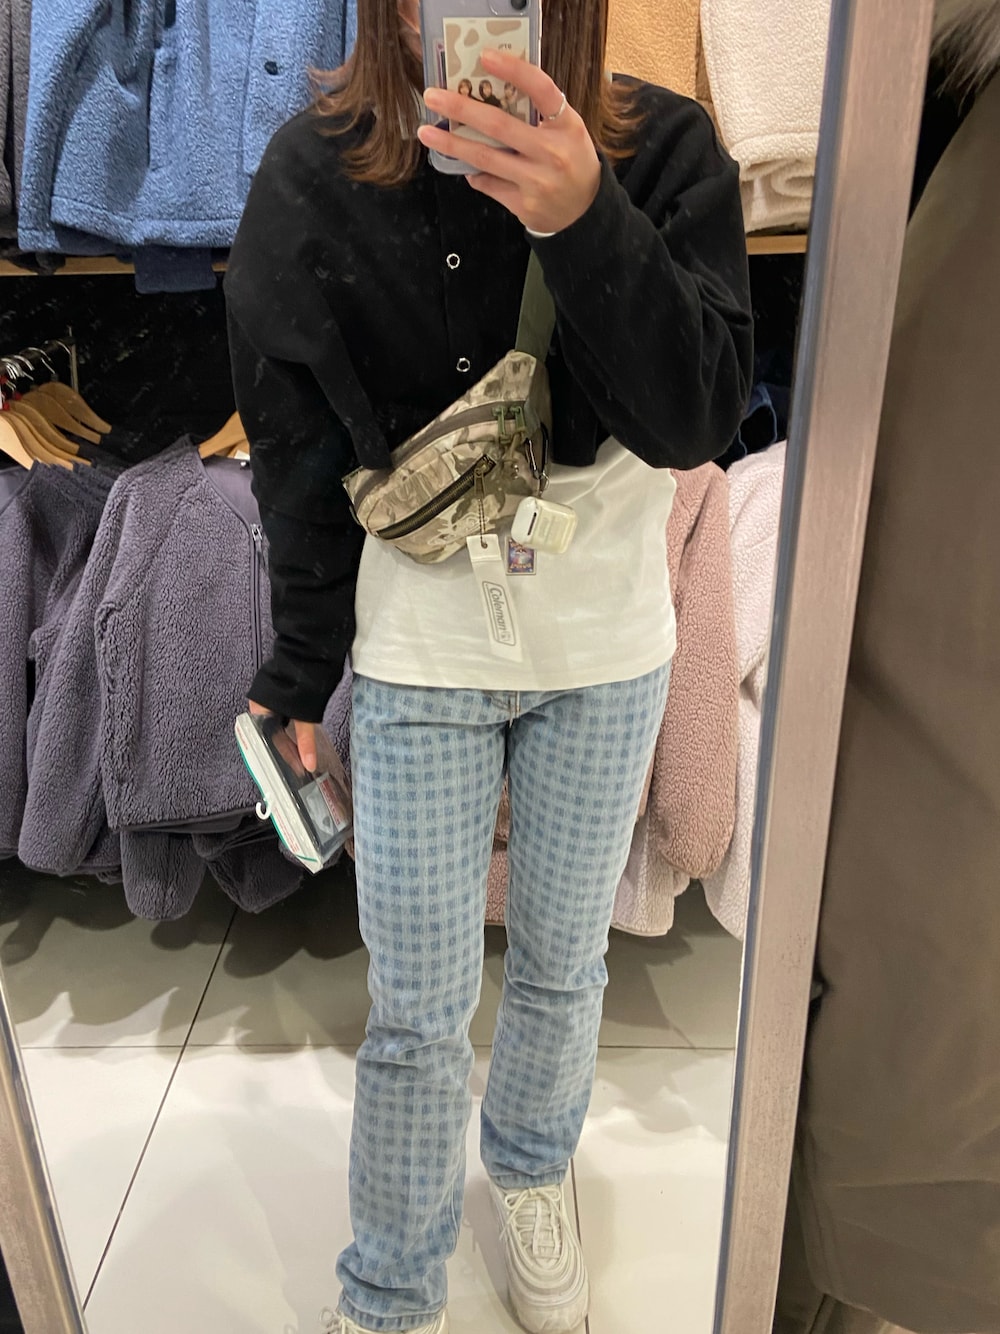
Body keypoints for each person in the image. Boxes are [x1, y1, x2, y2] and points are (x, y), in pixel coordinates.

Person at [224, 0, 752, 1330]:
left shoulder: (665, 151)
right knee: (416, 1005)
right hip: (423, 646)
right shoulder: (312, 174)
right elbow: (295, 459)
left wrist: (584, 219)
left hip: (608, 645)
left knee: (567, 965)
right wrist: (298, 669)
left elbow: (697, 416)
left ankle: (528, 1170)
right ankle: (390, 1284)